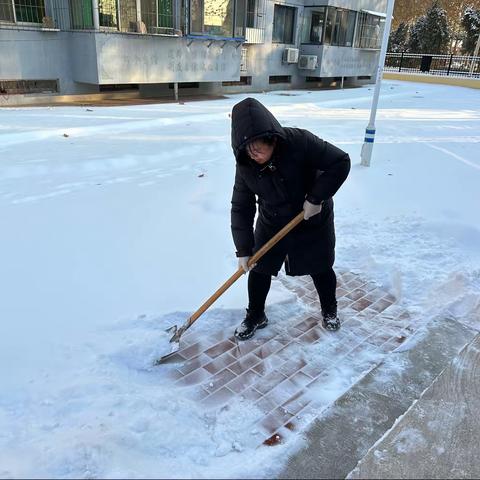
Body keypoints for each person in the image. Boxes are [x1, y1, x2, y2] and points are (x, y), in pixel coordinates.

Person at [230, 97, 351, 340]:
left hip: (311, 216)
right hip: (272, 219)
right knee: (259, 267)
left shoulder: (300, 141)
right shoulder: (245, 164)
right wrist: (243, 249)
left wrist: (316, 198)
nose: (254, 154)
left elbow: (340, 162)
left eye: (258, 147)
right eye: (248, 149)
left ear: (271, 137)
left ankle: (329, 310)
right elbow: (241, 206)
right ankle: (256, 315)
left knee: (321, 266)